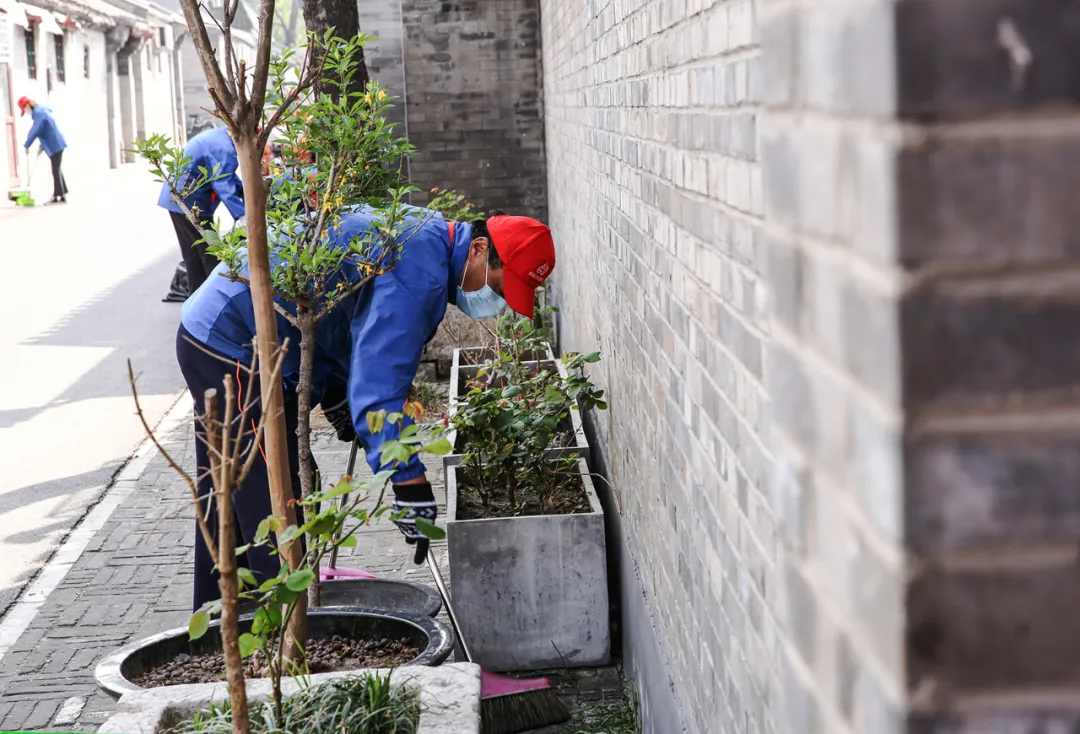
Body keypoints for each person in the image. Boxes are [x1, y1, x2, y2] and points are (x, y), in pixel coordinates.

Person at [176, 206, 556, 610]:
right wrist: (409, 483)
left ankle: (220, 629)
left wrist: (338, 393)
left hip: (227, 336)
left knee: (227, 489)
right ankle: (283, 638)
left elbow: (348, 316)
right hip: (232, 345)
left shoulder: (427, 237)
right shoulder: (418, 274)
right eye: (497, 287)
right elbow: (378, 390)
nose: (493, 302)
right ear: (479, 248)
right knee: (273, 498)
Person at [157, 126, 245, 296]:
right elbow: (222, 182)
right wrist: (241, 214)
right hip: (188, 201)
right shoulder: (223, 147)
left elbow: (226, 174)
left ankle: (197, 298)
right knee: (211, 252)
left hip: (177, 198)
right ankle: (220, 298)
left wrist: (246, 192)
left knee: (193, 255)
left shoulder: (220, 137)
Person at [18, 97, 67, 204]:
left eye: (25, 109)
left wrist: (27, 144)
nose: (26, 111)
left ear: (28, 105)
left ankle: (57, 196)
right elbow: (45, 130)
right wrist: (42, 146)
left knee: (55, 170)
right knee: (57, 169)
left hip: (55, 144)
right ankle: (62, 194)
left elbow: (36, 130)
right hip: (55, 143)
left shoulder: (39, 114)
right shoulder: (41, 111)